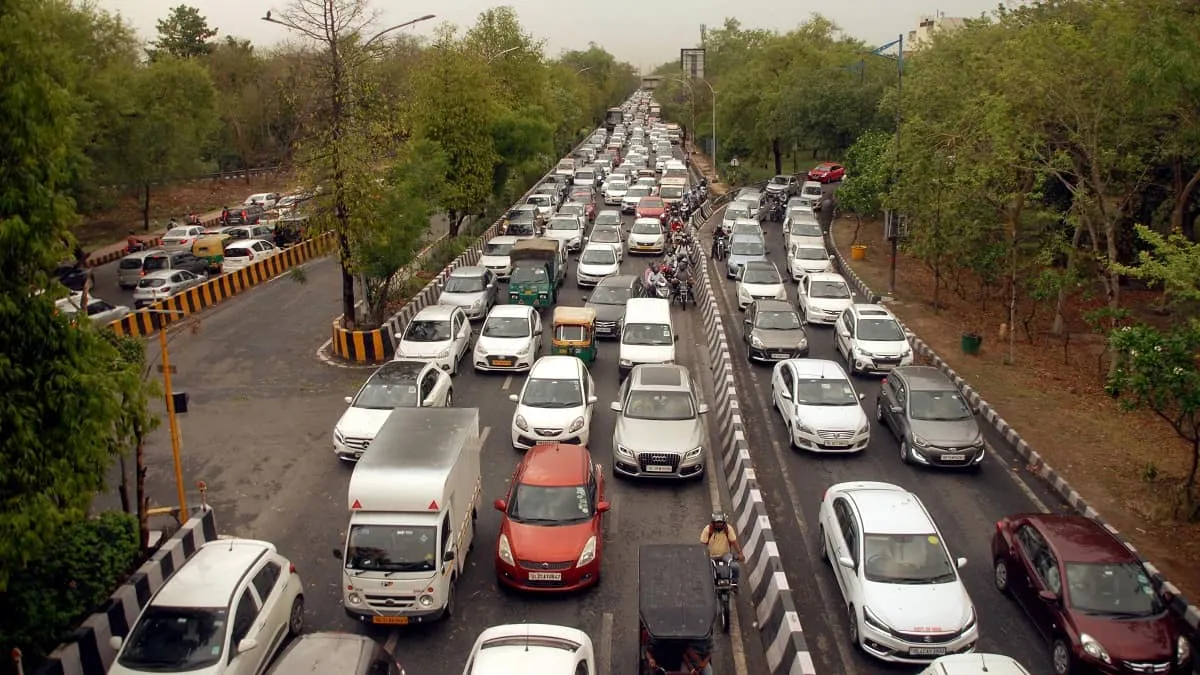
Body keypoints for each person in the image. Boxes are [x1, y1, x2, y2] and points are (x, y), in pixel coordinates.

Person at [700, 512, 743, 586]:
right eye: (717, 522)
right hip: (711, 556)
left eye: (720, 522)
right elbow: (703, 545)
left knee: (735, 566)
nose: (719, 524)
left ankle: (734, 584)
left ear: (724, 522)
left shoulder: (728, 529)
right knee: (705, 571)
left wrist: (740, 553)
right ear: (713, 522)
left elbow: (734, 542)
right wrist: (703, 557)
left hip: (725, 555)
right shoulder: (707, 530)